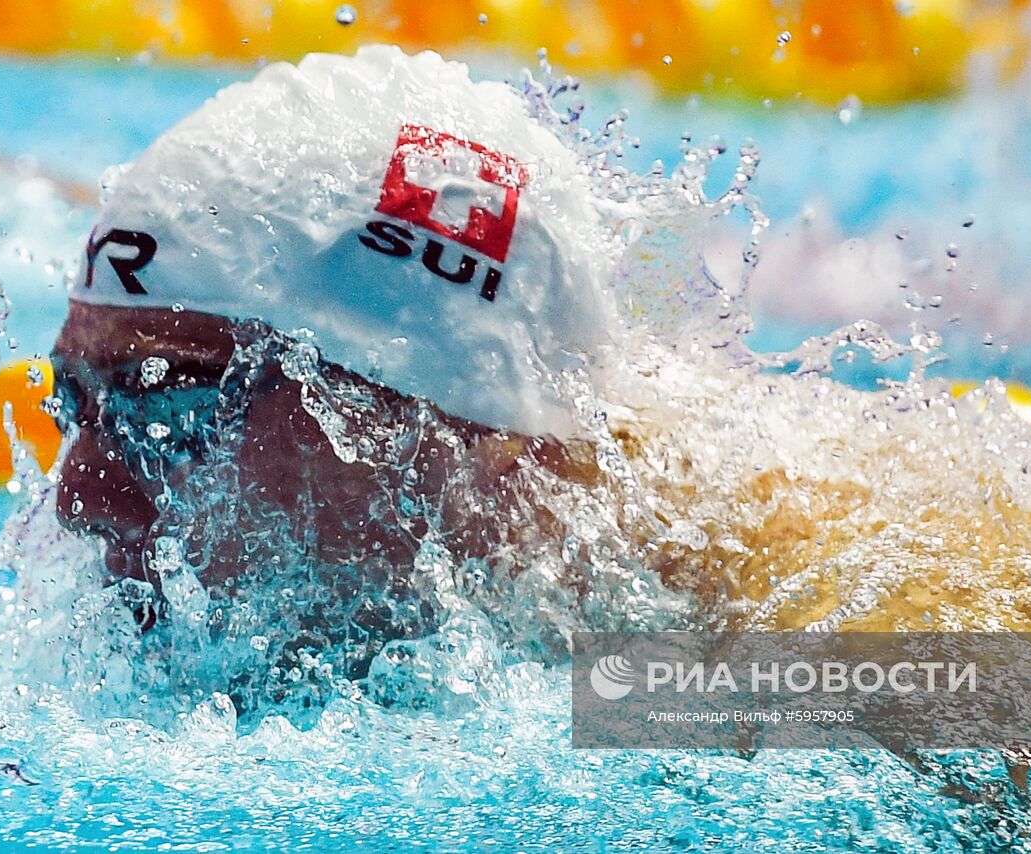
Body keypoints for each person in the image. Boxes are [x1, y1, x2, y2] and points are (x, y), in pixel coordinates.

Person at [51, 47, 622, 642]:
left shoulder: (698, 682)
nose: (78, 498)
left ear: (454, 430)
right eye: (74, 402)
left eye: (167, 404)